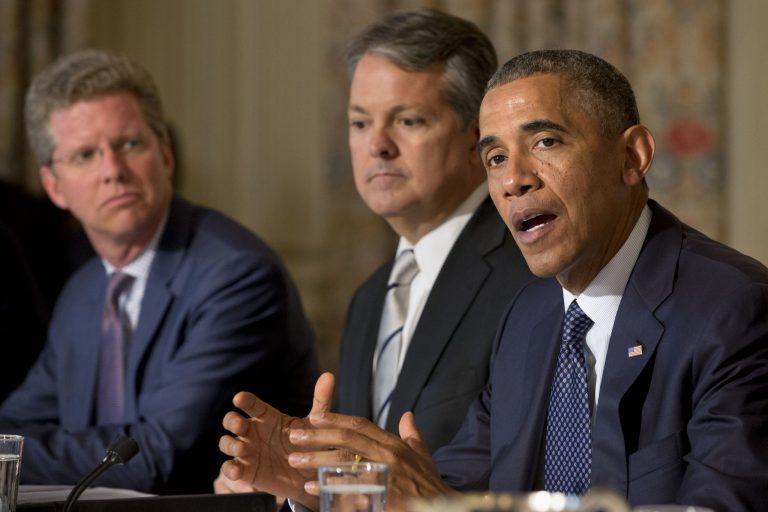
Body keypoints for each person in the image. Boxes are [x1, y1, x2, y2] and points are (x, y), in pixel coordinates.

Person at [218, 49, 768, 512]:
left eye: (545, 143)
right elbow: (451, 490)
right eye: (496, 157)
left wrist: (429, 502)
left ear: (632, 157)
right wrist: (323, 488)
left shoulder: (732, 309)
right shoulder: (529, 316)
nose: (512, 181)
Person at [216, 8, 531, 495]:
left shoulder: (530, 271)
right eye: (360, 123)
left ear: (476, 138)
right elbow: (372, 488)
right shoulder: (368, 297)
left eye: (408, 120)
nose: (377, 146)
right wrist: (301, 486)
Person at [0, 49, 319, 494]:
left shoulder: (236, 274)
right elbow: (16, 423)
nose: (113, 171)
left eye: (129, 145)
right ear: (54, 187)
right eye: (86, 155)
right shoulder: (84, 290)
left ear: (165, 154)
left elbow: (152, 457)